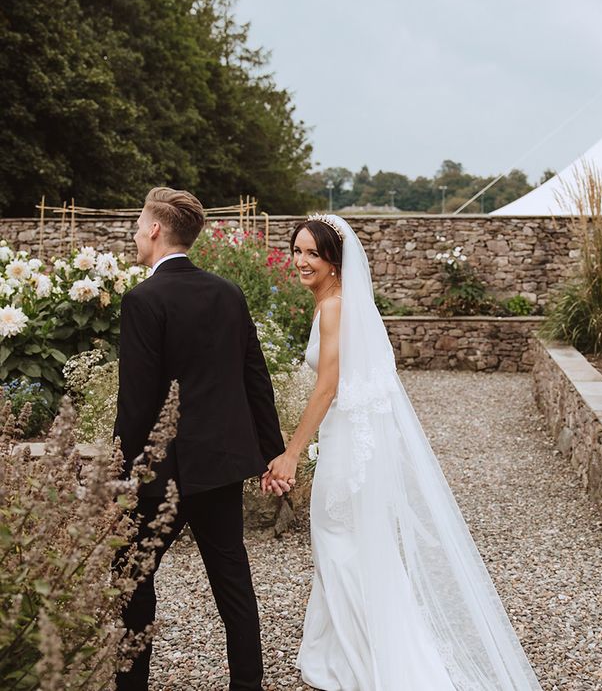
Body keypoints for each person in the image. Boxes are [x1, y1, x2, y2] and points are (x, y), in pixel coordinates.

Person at [261, 214, 542, 690]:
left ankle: (368, 663)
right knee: (351, 547)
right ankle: (343, 654)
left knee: (338, 543)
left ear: (335, 260)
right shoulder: (337, 304)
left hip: (349, 447)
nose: (302, 261)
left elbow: (327, 388)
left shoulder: (334, 309)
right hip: (350, 441)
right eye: (298, 250)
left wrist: (290, 453)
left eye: (314, 253)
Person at [114, 187, 285, 691]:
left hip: (160, 475)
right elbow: (256, 376)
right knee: (233, 586)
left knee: (133, 581)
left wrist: (122, 471)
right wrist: (268, 453)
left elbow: (138, 402)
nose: (135, 232)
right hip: (222, 466)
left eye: (138, 223)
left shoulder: (143, 300)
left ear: (154, 229)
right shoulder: (227, 292)